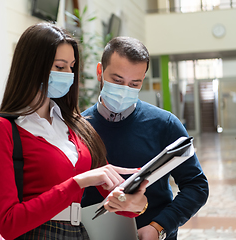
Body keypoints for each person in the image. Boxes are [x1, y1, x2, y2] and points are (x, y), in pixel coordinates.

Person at [0, 23, 148, 240]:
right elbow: (8, 223)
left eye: (71, 67)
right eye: (60, 67)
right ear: (32, 66)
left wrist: (136, 203)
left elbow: (114, 198)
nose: (69, 74)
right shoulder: (3, 128)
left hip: (78, 232)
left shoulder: (77, 125)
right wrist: (79, 182)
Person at [81, 37, 209, 240]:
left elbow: (196, 186)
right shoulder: (79, 127)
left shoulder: (165, 124)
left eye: (134, 83)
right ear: (100, 72)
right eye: (117, 80)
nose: (125, 90)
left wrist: (159, 227)